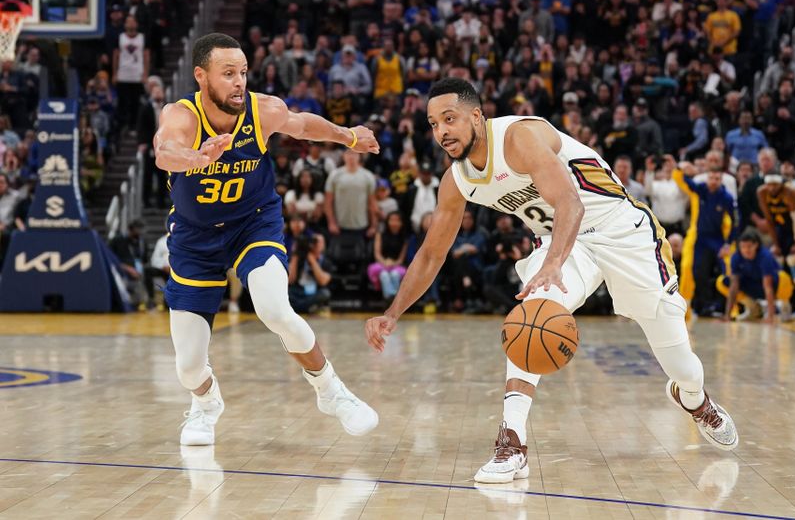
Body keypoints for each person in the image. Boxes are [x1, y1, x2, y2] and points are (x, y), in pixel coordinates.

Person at [365, 78, 738, 485]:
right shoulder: (457, 181)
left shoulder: (519, 137)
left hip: (620, 232)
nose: (441, 132)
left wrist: (554, 262)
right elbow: (432, 254)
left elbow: (570, 203)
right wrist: (392, 312)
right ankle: (512, 442)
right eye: (434, 124)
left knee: (681, 362)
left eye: (449, 119)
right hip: (562, 244)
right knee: (532, 314)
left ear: (477, 115)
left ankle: (695, 400)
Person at [153, 33, 380, 446]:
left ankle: (331, 391)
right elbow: (164, 151)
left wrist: (348, 135)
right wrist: (198, 158)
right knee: (187, 367)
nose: (239, 81)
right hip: (194, 238)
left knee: (275, 308)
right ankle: (205, 404)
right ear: (201, 77)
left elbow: (303, 124)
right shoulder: (181, 115)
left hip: (252, 224)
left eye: (242, 72)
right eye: (228, 74)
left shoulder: (261, 110)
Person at [673, 162, 736, 317]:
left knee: (729, 267)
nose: (713, 181)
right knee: (688, 267)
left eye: (717, 178)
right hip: (699, 238)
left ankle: (734, 307)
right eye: (711, 178)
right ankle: (685, 307)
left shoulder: (726, 197)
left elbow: (736, 222)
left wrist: (728, 244)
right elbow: (682, 180)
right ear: (707, 179)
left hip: (718, 238)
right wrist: (680, 168)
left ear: (721, 180)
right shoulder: (700, 189)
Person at [718, 231, 793, 323]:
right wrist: (727, 315)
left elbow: (768, 286)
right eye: (743, 247)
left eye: (749, 246)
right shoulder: (736, 257)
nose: (746, 250)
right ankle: (753, 308)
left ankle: (784, 304)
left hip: (773, 286)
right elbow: (734, 286)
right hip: (754, 286)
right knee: (723, 282)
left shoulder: (765, 256)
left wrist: (770, 316)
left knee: (783, 277)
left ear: (756, 245)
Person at [367, 211, 409, 300]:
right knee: (384, 274)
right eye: (392, 220)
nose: (394, 223)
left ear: (401, 223)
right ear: (387, 221)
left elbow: (401, 258)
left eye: (397, 220)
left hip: (398, 265)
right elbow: (377, 253)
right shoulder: (380, 234)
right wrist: (384, 262)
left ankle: (395, 299)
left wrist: (393, 263)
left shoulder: (405, 238)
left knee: (394, 274)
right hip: (381, 264)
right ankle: (391, 298)